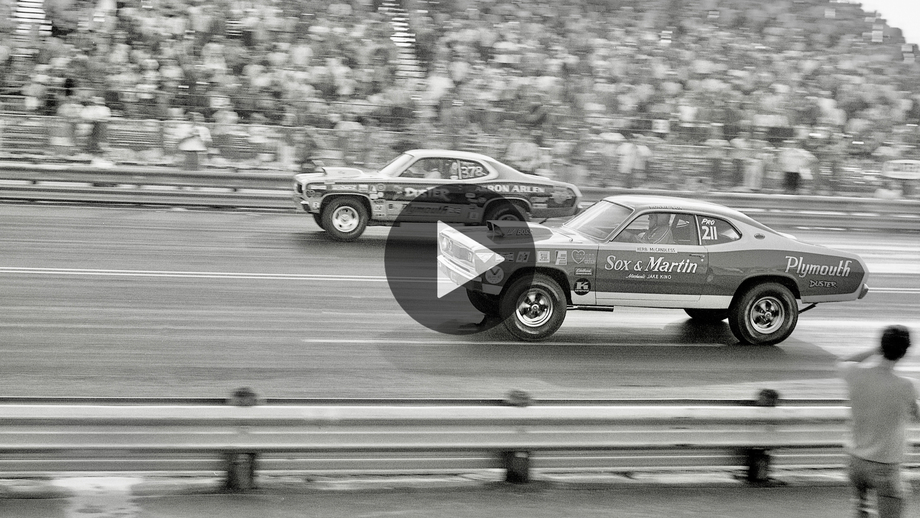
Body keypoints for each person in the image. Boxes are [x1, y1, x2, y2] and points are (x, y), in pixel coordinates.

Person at [838, 325, 919, 518]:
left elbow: (844, 360)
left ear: (882, 346)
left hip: (856, 462)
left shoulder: (855, 374)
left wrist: (876, 349)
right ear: (904, 352)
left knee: (861, 512)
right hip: (886, 466)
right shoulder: (906, 386)